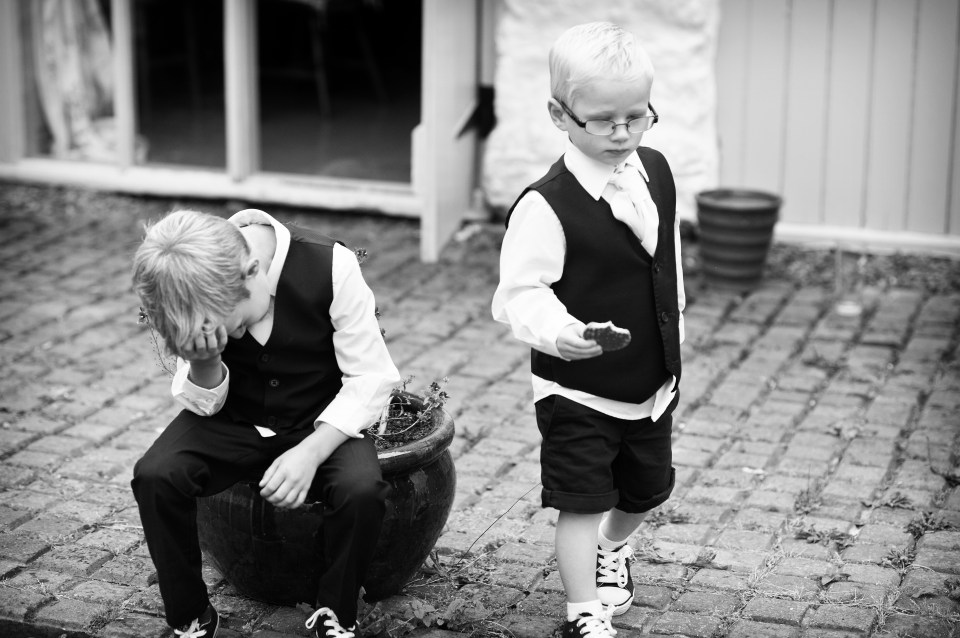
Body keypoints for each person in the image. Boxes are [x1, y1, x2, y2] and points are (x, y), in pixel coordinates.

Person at [492, 22, 685, 638]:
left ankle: (614, 545)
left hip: (650, 378)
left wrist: (674, 319)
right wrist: (561, 333)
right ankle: (584, 612)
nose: (623, 133)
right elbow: (520, 293)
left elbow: (665, 257)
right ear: (560, 114)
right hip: (575, 388)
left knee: (646, 490)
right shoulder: (546, 204)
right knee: (582, 499)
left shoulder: (654, 169)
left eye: (638, 116)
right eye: (603, 120)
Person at [131, 208, 401, 638]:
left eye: (232, 326)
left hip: (322, 419)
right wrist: (205, 361)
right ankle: (190, 615)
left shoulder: (330, 264)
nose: (232, 336)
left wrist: (312, 451)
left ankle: (337, 613)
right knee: (156, 475)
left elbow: (371, 376)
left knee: (361, 490)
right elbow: (202, 404)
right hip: (233, 416)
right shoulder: (191, 285)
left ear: (252, 271)